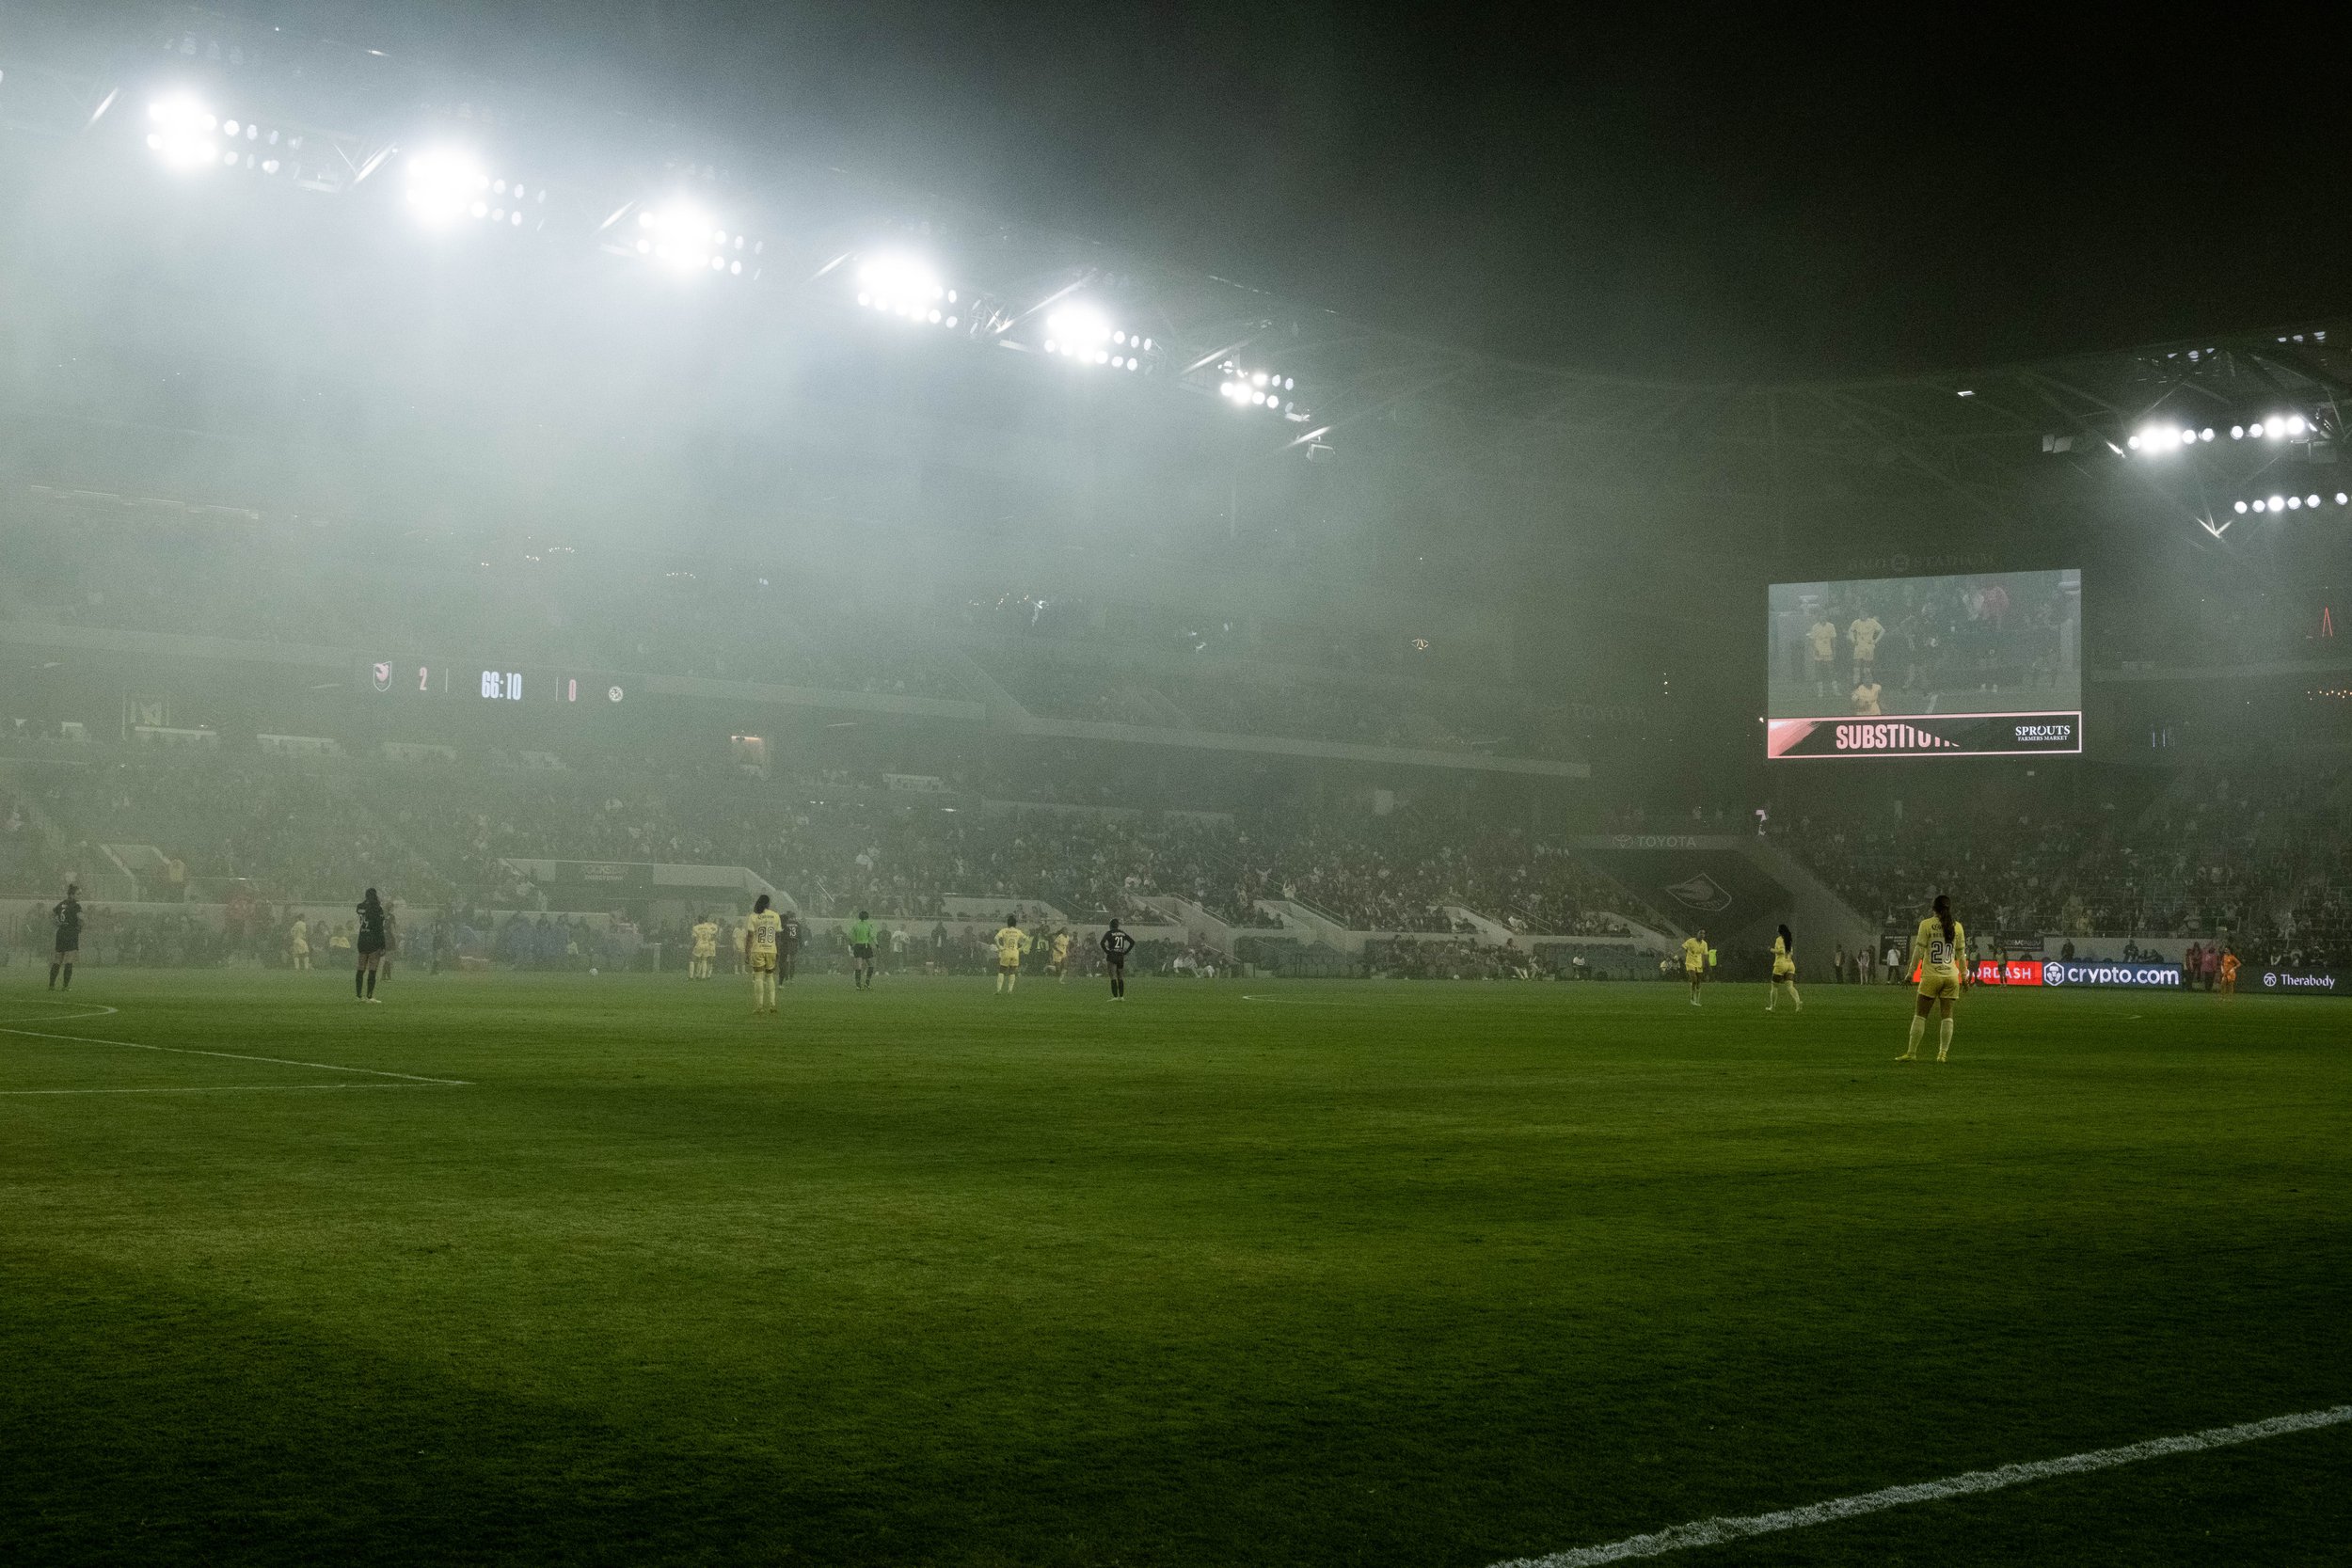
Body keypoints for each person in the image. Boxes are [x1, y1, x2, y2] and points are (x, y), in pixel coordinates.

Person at [1899, 894, 1966, 1062]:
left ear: (1933, 908)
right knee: (1947, 1015)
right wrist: (1964, 976)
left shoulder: (1926, 924)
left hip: (1931, 975)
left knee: (1920, 1015)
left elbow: (1919, 951)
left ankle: (1912, 1053)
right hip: (1951, 976)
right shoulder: (1957, 926)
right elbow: (1961, 954)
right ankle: (1942, 1054)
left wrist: (1910, 973)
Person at [745, 894, 783, 1013]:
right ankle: (772, 1004)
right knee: (770, 976)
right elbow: (778, 936)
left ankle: (760, 1006)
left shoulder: (754, 916)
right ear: (768, 904)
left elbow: (750, 936)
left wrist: (747, 952)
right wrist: (778, 950)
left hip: (758, 948)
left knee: (758, 977)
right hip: (771, 948)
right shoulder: (775, 916)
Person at [355, 888, 389, 1003]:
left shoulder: (360, 907)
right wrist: (383, 944)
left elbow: (361, 910)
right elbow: (379, 928)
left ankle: (358, 996)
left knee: (361, 967)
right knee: (372, 968)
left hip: (362, 938)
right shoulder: (377, 908)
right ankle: (369, 996)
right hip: (373, 940)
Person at [49, 883, 82, 991]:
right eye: (78, 894)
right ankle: (65, 986)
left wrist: (58, 923)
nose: (79, 896)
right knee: (69, 960)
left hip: (61, 933)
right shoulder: (76, 906)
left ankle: (51, 985)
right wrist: (79, 928)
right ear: (72, 894)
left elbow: (52, 914)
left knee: (57, 960)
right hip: (71, 933)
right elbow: (81, 919)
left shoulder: (62, 904)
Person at [993, 913, 1031, 993]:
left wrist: (999, 947)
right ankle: (1010, 990)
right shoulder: (1018, 931)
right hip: (1015, 953)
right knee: (1012, 971)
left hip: (1006, 952)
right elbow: (1027, 939)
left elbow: (995, 938)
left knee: (1002, 970)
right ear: (1015, 924)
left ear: (1008, 923)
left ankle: (999, 990)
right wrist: (1022, 948)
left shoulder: (1004, 930)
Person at [1806, 611, 1839, 701]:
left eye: (1824, 615)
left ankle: (1835, 690)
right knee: (1819, 672)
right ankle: (1820, 691)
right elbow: (1811, 641)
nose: (1822, 617)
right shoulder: (1815, 627)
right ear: (1819, 617)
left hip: (1828, 652)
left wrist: (1834, 650)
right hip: (1818, 652)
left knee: (1831, 671)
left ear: (1826, 616)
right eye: (1821, 615)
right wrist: (1815, 650)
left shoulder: (1831, 626)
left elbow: (1833, 639)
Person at [1769, 924, 1802, 1012]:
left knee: (1774, 987)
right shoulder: (1789, 940)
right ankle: (1798, 1002)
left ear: (1780, 931)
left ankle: (1773, 1007)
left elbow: (1781, 951)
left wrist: (1772, 950)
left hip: (1781, 964)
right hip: (1790, 964)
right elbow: (1791, 953)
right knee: (1790, 986)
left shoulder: (1779, 939)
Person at [1101, 917, 1135, 999]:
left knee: (1113, 976)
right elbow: (1132, 942)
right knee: (1120, 977)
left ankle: (1115, 996)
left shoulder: (1109, 933)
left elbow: (1102, 942)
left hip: (1112, 955)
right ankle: (1121, 997)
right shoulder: (1122, 933)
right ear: (1117, 925)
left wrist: (1107, 951)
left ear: (1110, 925)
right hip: (1120, 956)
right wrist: (1125, 952)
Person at [1849, 609, 1885, 684]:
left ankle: (1867, 683)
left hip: (1868, 646)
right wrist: (1853, 640)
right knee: (1856, 665)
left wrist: (1875, 641)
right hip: (1859, 646)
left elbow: (1882, 630)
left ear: (1867, 614)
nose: (1862, 615)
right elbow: (1850, 631)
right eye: (1860, 614)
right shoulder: (1856, 622)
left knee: (1867, 667)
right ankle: (1856, 684)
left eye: (1864, 614)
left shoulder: (1872, 622)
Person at [849, 910, 878, 990]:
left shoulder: (856, 925)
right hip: (866, 946)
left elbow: (850, 936)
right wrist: (877, 945)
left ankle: (858, 985)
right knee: (871, 965)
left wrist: (852, 945)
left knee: (859, 966)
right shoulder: (868, 925)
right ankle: (867, 983)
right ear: (867, 917)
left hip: (858, 946)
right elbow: (872, 936)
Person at [1680, 927, 1708, 1006]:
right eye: (1700, 933)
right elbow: (1683, 947)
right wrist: (1686, 953)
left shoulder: (1704, 944)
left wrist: (1705, 964)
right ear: (1697, 934)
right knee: (1694, 980)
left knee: (1699, 982)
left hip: (1699, 963)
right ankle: (1692, 999)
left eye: (1703, 933)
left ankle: (1697, 1000)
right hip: (1690, 962)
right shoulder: (1690, 941)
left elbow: (1704, 955)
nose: (1702, 935)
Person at [690, 912, 719, 980]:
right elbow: (712, 935)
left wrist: (693, 944)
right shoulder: (707, 928)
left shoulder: (695, 927)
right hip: (707, 944)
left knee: (692, 959)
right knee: (704, 960)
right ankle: (703, 976)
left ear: (698, 920)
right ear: (704, 920)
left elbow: (694, 937)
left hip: (699, 944)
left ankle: (691, 977)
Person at [779, 909, 801, 982]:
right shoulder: (797, 924)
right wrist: (801, 944)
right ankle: (791, 978)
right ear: (794, 916)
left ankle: (786, 977)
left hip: (787, 943)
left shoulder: (786, 923)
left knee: (786, 961)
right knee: (793, 961)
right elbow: (799, 935)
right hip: (794, 943)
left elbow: (782, 933)